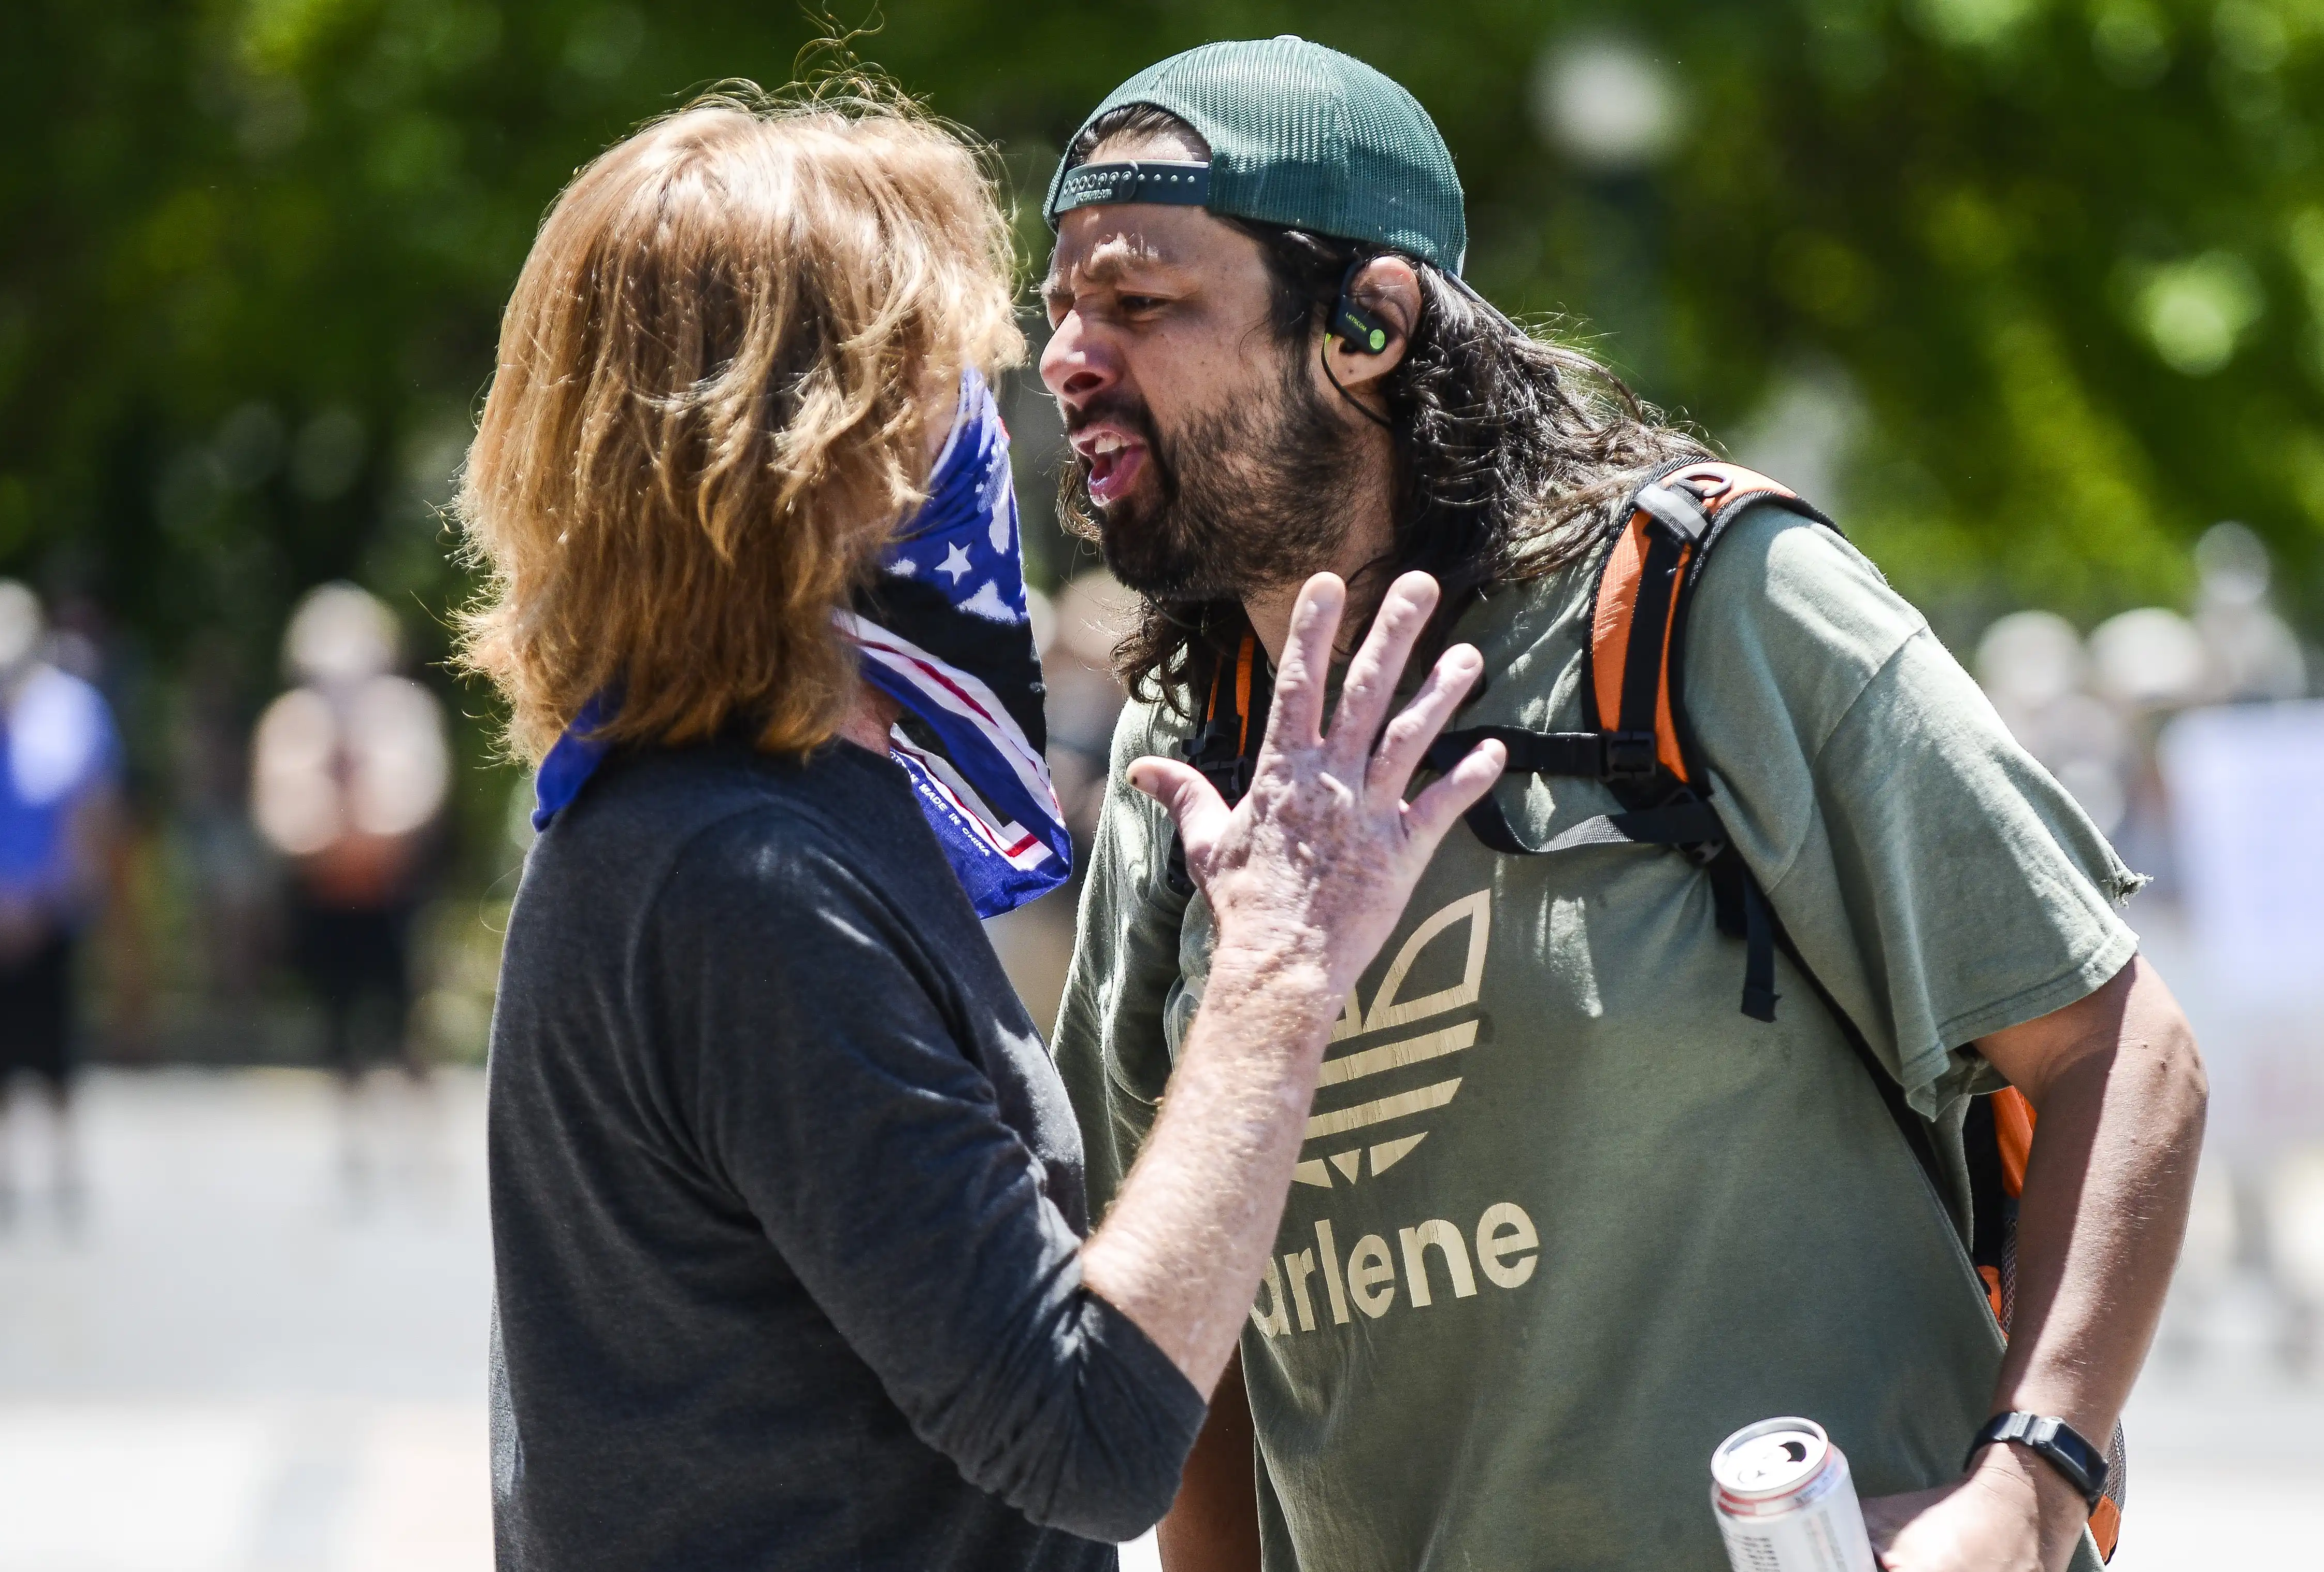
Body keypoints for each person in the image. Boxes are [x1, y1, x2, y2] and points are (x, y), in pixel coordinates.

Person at [1042, 37, 2210, 1572]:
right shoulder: (1178, 762)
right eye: (1055, 309)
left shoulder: (1696, 610)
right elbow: (1175, 1326)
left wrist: (2025, 1486)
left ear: (1366, 322)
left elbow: (2119, 1050)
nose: (1066, 357)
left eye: (1138, 304)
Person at [452, 81, 1504, 1572]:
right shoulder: (732, 874)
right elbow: (1083, 1433)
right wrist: (1279, 960)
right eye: (942, 373)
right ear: (827, 449)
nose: (1010, 409)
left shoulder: (736, 805)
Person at [251, 582, 449, 1183]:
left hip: (393, 898)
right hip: (327, 900)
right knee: (337, 1024)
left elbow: (420, 803)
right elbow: (280, 820)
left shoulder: (406, 713)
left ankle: (420, 1141)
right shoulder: (291, 722)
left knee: (406, 1019)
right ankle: (354, 1143)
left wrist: (355, 830)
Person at [0, 579, 121, 1226]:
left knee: (55, 1043)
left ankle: (63, 1171)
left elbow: (91, 817)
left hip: (48, 913)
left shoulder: (74, 710)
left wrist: (44, 902)